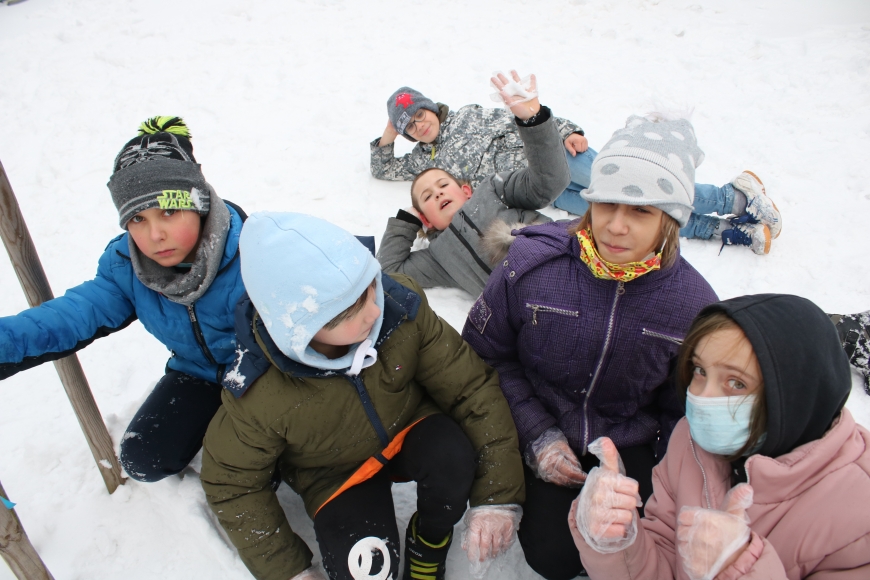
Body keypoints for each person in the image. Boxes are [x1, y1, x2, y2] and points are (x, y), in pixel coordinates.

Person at [460, 114, 719, 580]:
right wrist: (536, 434)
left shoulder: (693, 306)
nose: (616, 226)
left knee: (633, 547)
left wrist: (662, 476)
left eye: (640, 211)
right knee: (554, 555)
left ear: (672, 220)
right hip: (537, 421)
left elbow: (682, 410)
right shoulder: (531, 264)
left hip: (627, 439)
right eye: (605, 205)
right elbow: (484, 354)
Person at [200, 212, 525, 580]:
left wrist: (499, 496)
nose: (374, 309)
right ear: (301, 331)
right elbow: (231, 482)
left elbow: (470, 387)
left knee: (453, 460)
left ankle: (429, 540)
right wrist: (288, 572)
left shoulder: (398, 305)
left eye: (368, 286)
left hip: (409, 424)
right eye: (350, 311)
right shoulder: (260, 391)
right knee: (367, 570)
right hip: (335, 473)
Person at [0, 116, 246, 483]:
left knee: (246, 464)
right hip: (198, 373)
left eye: (168, 212)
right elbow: (71, 316)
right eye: (137, 219)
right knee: (143, 458)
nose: (155, 234)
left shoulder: (254, 251)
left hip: (263, 374)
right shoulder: (127, 267)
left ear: (199, 204)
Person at [570, 293, 870, 579]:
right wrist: (616, 542)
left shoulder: (860, 514)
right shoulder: (691, 439)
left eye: (736, 383)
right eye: (699, 370)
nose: (701, 396)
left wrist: (740, 569)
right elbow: (664, 548)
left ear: (797, 396)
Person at [372, 82, 783, 253]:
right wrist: (390, 131)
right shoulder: (428, 163)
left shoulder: (468, 116)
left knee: (634, 188)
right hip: (537, 187)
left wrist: (566, 130)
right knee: (611, 210)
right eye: (411, 126)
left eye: (419, 114)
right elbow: (382, 167)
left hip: (554, 156)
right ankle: (716, 229)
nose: (419, 124)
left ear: (430, 107)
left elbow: (521, 115)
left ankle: (734, 195)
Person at [377, 71, 572, 297]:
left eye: (442, 185)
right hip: (538, 310)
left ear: (466, 191)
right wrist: (407, 221)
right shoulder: (439, 258)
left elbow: (549, 181)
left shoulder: (494, 191)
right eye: (428, 197)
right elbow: (389, 272)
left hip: (540, 162)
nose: (438, 194)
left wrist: (534, 119)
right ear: (426, 220)